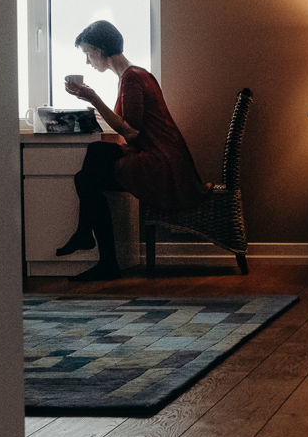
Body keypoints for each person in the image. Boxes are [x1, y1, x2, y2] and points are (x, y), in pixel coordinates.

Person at [56, 20, 208, 281]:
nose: (87, 62)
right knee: (89, 170)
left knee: (89, 171)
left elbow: (132, 132)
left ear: (100, 49)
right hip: (159, 155)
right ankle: (95, 249)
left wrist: (94, 99)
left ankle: (98, 251)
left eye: (87, 53)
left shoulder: (132, 79)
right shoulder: (135, 75)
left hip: (161, 162)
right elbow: (131, 128)